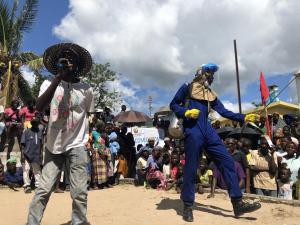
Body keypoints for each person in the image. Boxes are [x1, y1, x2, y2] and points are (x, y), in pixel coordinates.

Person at [170, 63, 261, 222]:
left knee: (227, 162)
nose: (212, 78)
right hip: (193, 129)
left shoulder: (211, 94)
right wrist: (185, 112)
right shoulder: (187, 87)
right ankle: (188, 205)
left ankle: (237, 203)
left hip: (208, 129)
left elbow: (224, 112)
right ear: (202, 74)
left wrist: (243, 117)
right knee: (191, 167)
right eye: (210, 74)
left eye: (213, 75)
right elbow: (173, 104)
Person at [26, 43, 94, 225]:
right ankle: (32, 222)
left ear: (78, 63)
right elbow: (39, 106)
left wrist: (88, 139)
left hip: (77, 144)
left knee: (79, 190)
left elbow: (89, 114)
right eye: (63, 58)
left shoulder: (86, 88)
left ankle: (79, 221)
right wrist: (59, 77)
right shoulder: (49, 83)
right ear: (58, 62)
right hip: (53, 145)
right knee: (44, 188)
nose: (67, 61)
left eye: (71, 58)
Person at [21, 117, 43, 193]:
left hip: (36, 155)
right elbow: (23, 144)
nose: (34, 124)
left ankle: (38, 185)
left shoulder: (40, 132)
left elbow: (41, 144)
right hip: (27, 154)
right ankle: (27, 185)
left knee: (37, 171)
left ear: (38, 124)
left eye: (36, 122)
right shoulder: (26, 132)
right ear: (31, 123)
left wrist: (41, 155)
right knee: (26, 169)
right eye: (33, 122)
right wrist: (22, 156)